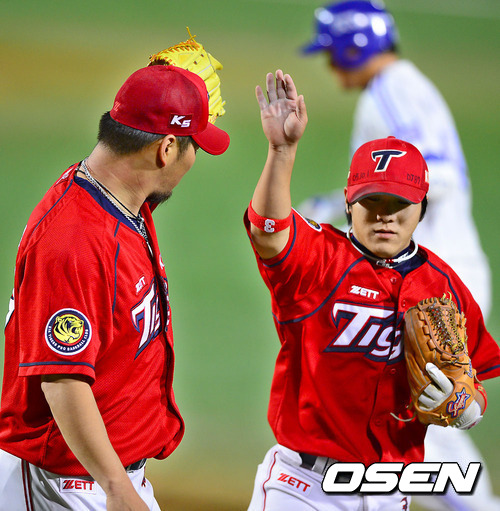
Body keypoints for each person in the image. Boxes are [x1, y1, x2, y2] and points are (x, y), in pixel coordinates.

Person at [244, 69, 500, 511]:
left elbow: (472, 381)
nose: (384, 216)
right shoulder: (318, 258)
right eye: (371, 202)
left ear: (422, 207)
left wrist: (466, 407)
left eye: (398, 204)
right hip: (303, 485)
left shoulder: (442, 286)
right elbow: (268, 231)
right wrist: (281, 151)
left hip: (390, 491)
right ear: (349, 203)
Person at [0, 64, 229, 510]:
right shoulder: (74, 243)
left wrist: (168, 91)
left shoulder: (120, 199)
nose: (193, 161)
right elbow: (62, 380)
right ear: (166, 149)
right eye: (194, 148)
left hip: (99, 474)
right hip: (65, 481)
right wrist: (116, 487)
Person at [298, 2, 498, 509]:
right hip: (430, 278)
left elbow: (439, 175)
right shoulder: (398, 86)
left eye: (333, 53)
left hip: (432, 289)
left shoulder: (390, 92)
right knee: (415, 412)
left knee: (428, 416)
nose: (330, 66)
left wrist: (355, 211)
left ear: (353, 48)